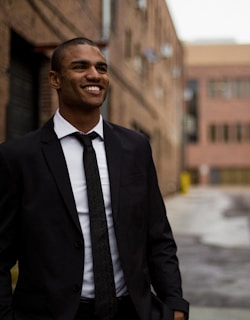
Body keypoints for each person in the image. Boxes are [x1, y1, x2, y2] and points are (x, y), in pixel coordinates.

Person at [0, 37, 189, 320]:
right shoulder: (17, 156)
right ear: (55, 79)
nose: (95, 75)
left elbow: (158, 235)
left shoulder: (135, 147)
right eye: (80, 66)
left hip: (132, 311)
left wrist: (174, 304)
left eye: (102, 68)